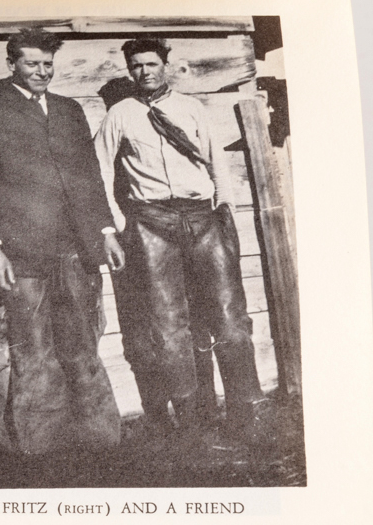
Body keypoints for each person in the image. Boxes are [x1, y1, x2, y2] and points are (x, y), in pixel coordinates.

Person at [0, 28, 125, 457]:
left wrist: (104, 232)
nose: (41, 72)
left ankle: (100, 446)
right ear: (11, 64)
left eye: (48, 64)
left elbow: (89, 178)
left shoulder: (69, 111)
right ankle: (40, 454)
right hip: (22, 256)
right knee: (33, 354)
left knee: (83, 347)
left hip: (73, 256)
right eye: (32, 64)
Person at [93, 38, 266, 443]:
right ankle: (191, 421)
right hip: (151, 223)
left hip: (202, 218)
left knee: (230, 316)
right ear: (129, 70)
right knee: (167, 324)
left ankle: (244, 411)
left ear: (166, 66)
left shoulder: (192, 109)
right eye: (136, 66)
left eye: (152, 64)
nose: (145, 72)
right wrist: (118, 224)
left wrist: (224, 211)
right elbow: (97, 172)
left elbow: (217, 162)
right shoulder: (120, 115)